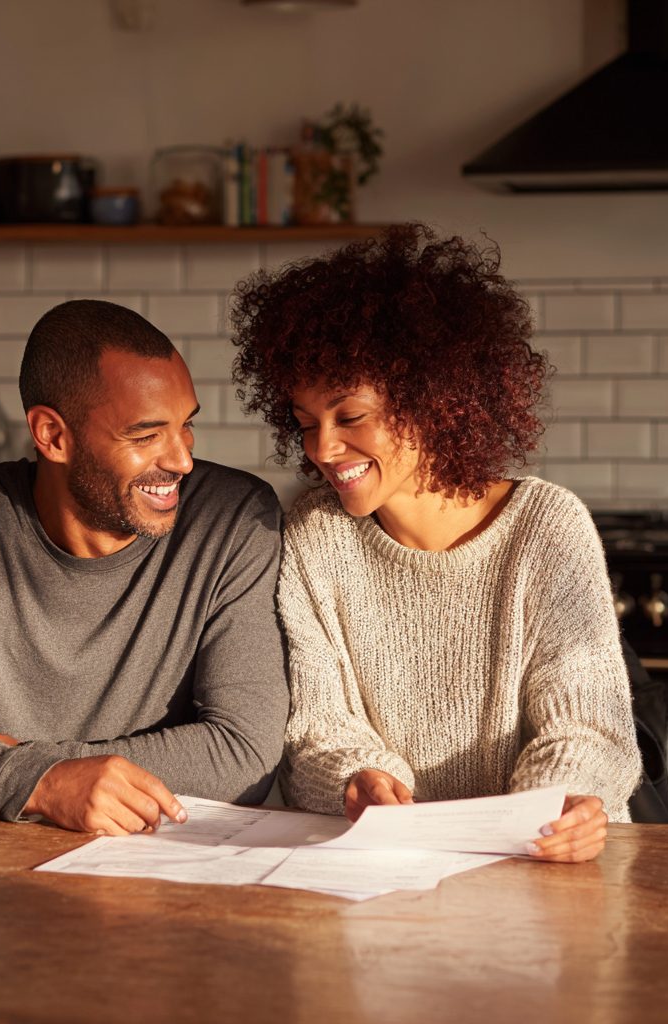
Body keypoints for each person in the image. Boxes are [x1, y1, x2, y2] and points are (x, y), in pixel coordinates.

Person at [230, 223, 642, 863]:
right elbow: (316, 727)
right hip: (384, 871)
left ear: (432, 399)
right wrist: (356, 779)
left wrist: (551, 808)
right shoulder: (314, 539)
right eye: (308, 424)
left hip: (546, 867)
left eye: (351, 417)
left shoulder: (547, 529)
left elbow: (587, 725)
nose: (322, 449)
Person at [0, 300, 288, 836]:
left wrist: (29, 768)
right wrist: (49, 783)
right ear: (52, 436)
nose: (181, 460)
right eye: (146, 435)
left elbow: (243, 754)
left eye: (185, 426)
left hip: (166, 868)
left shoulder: (234, 520)